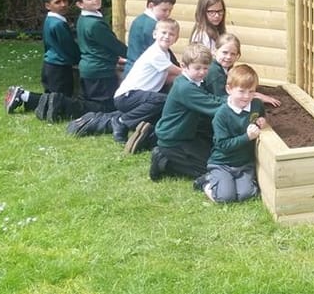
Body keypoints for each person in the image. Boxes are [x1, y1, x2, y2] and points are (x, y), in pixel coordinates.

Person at [149, 44, 223, 182]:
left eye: (205, 68)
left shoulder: (193, 82)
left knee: (214, 160)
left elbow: (211, 99)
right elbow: (214, 106)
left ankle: (169, 160)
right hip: (174, 139)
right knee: (209, 170)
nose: (202, 72)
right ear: (183, 66)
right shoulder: (186, 88)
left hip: (187, 135)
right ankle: (163, 159)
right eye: (197, 68)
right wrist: (237, 106)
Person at [110, 18, 184, 152]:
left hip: (140, 95)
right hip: (127, 96)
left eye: (171, 34)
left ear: (176, 38)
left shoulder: (165, 54)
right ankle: (122, 121)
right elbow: (179, 72)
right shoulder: (155, 53)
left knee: (162, 101)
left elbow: (168, 78)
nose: (167, 36)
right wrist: (197, 75)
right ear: (155, 34)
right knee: (162, 100)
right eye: (164, 32)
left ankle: (146, 134)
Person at [4, 0, 80, 115]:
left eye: (65, 0)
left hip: (49, 65)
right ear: (47, 6)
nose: (63, 4)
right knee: (59, 102)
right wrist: (79, 58)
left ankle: (23, 96)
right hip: (59, 69)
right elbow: (69, 47)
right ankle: (23, 96)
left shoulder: (50, 20)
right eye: (57, 2)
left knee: (52, 99)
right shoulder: (58, 24)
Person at [200, 63, 267, 203]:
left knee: (246, 195)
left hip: (244, 163)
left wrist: (261, 121)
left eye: (251, 91)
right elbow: (223, 145)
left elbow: (260, 116)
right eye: (241, 91)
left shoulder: (256, 105)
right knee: (225, 197)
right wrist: (247, 137)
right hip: (223, 162)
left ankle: (235, 182)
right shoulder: (221, 115)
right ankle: (206, 182)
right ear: (229, 89)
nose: (246, 96)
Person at [69, 0, 127, 117]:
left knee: (94, 103)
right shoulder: (95, 24)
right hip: (100, 70)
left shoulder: (84, 18)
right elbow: (114, 45)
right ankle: (60, 104)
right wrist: (135, 55)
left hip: (90, 67)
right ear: (80, 4)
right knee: (103, 107)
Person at [126, 0, 176, 66]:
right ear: (151, 6)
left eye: (170, 10)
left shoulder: (139, 19)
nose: (168, 14)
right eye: (164, 10)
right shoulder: (152, 26)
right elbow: (161, 52)